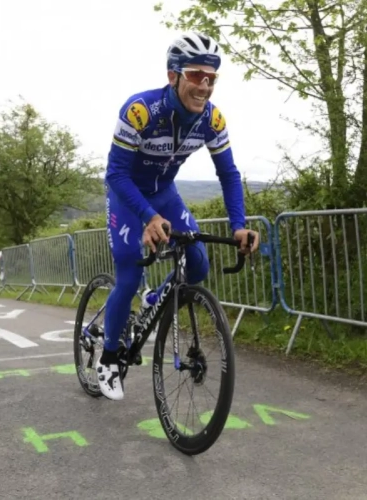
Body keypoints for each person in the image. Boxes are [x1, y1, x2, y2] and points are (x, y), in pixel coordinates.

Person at [97, 32, 260, 401]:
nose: (204, 85)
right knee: (129, 270)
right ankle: (108, 359)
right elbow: (116, 174)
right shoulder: (139, 111)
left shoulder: (212, 120)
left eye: (211, 78)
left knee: (198, 265)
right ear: (173, 76)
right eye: (196, 75)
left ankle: (154, 300)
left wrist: (238, 225)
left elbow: (229, 174)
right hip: (129, 196)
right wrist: (148, 216)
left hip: (165, 193)